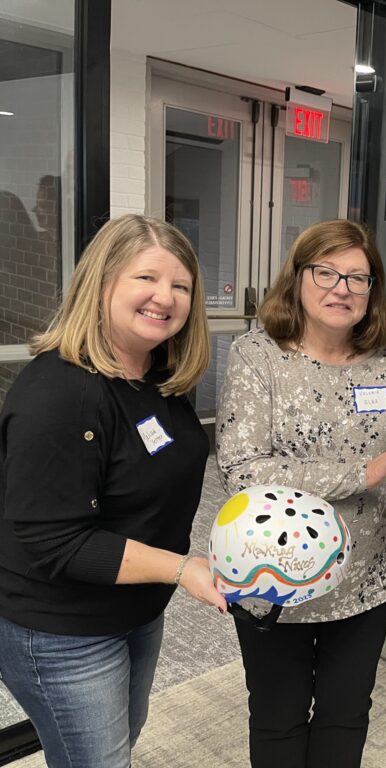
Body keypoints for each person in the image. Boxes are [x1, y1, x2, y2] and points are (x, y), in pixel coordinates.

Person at [0, 214, 225, 768]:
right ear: (102, 283)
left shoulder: (159, 377)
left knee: (118, 744)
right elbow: (55, 541)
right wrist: (181, 567)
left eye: (180, 286)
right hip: (61, 626)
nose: (164, 297)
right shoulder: (60, 393)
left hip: (135, 607)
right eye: (145, 278)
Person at [216, 219, 386, 767]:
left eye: (359, 277)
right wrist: (362, 472)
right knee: (278, 719)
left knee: (346, 713)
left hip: (367, 579)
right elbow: (241, 468)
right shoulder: (257, 356)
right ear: (299, 277)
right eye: (327, 272)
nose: (343, 288)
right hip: (273, 579)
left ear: (373, 290)